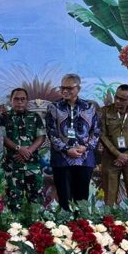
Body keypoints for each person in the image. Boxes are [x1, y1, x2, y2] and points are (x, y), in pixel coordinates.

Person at [45, 74, 101, 209]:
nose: (65, 91)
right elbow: (51, 132)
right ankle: (66, 222)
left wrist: (86, 147)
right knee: (64, 199)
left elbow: (96, 131)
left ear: (78, 89)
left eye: (69, 88)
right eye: (62, 88)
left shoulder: (89, 107)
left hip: (84, 158)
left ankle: (81, 222)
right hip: (61, 159)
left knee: (81, 199)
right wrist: (66, 149)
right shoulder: (54, 107)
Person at [0, 88, 46, 210]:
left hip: (32, 165)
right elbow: (2, 137)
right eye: (16, 99)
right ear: (11, 100)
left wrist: (28, 151)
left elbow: (41, 137)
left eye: (22, 99)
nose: (19, 102)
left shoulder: (34, 116)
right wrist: (19, 149)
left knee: (36, 203)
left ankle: (36, 222)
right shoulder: (4, 117)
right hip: (12, 165)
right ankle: (15, 222)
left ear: (27, 101)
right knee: (13, 203)